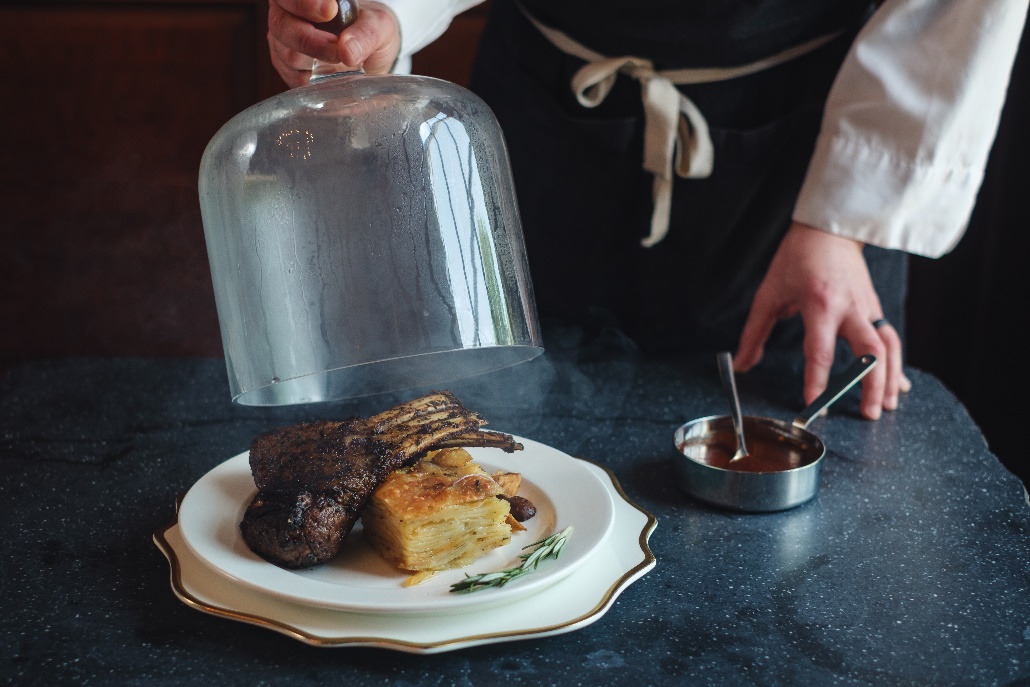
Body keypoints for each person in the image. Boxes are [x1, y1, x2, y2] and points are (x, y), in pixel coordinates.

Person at [265, 0, 1028, 420]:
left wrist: (845, 217)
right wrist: (382, 11)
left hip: (810, 166)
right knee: (506, 444)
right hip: (546, 120)